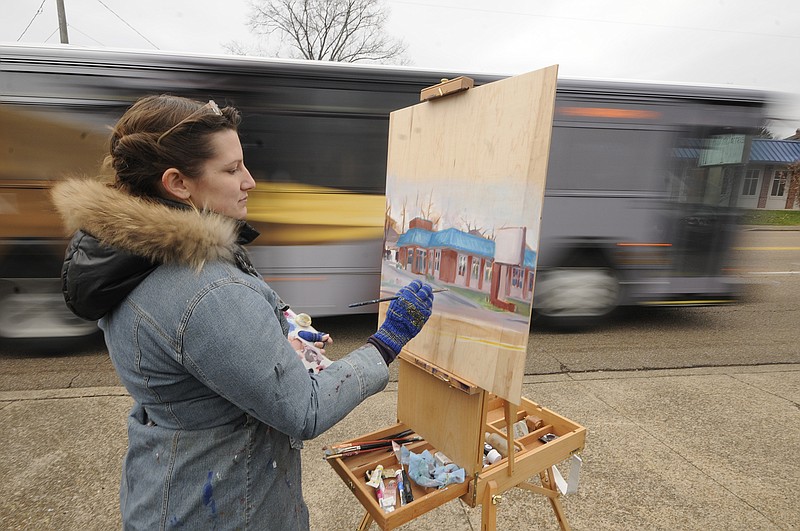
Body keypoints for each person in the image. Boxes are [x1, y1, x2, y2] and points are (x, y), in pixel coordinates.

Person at [50, 94, 434, 530]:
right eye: (231, 170)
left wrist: (276, 329)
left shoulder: (132, 257)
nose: (249, 181)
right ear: (177, 183)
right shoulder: (206, 289)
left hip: (172, 488)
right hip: (229, 508)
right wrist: (385, 344)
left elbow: (193, 357)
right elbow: (303, 411)